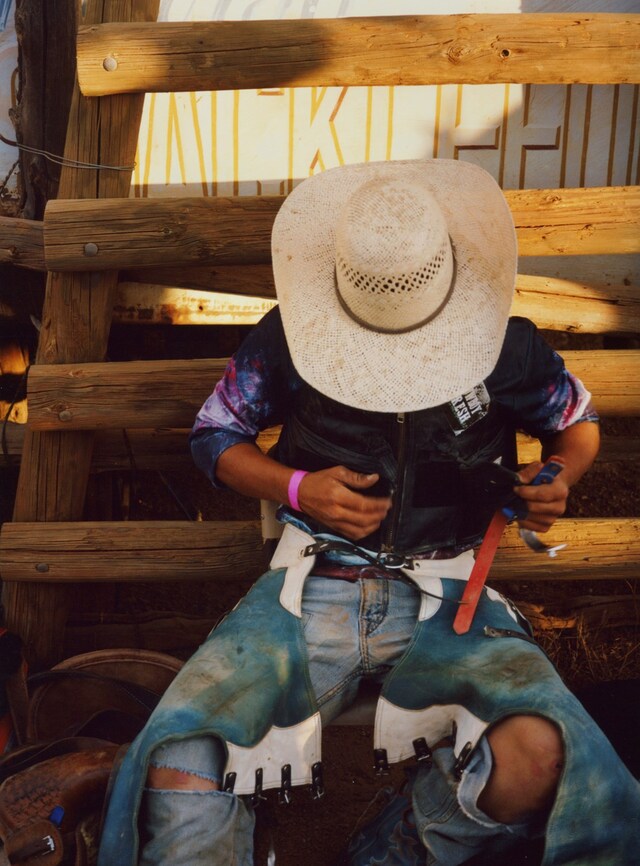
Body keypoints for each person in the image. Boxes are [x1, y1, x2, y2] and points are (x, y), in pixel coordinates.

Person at [98, 159, 640, 866]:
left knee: (539, 754)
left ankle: (385, 855)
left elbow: (578, 422)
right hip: (313, 588)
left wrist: (558, 472)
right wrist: (297, 488)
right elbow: (215, 436)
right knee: (180, 760)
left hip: (453, 596)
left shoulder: (508, 345)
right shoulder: (289, 335)